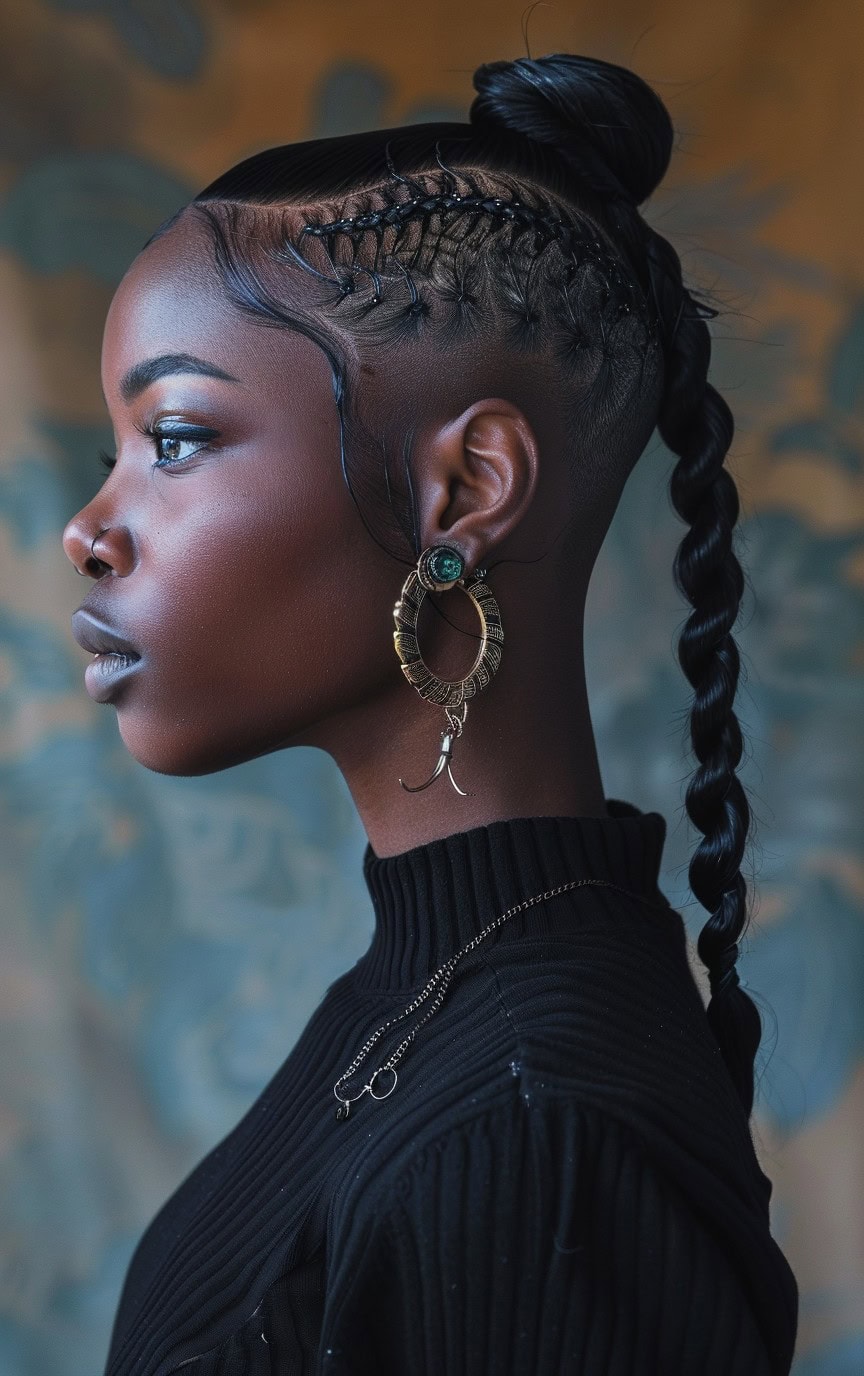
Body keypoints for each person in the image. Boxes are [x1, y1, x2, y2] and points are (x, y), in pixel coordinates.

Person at [62, 49, 799, 1376]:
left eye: (173, 438)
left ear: (465, 492)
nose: (90, 530)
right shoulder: (441, 995)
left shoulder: (539, 1133)